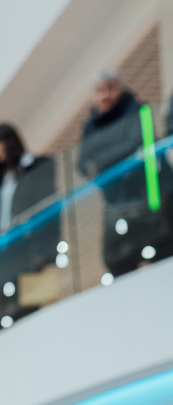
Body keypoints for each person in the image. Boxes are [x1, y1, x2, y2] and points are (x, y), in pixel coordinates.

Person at [0, 123, 57, 336]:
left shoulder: (39, 167)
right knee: (3, 314)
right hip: (1, 257)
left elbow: (48, 211)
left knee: (29, 313)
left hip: (27, 252)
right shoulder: (1, 179)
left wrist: (44, 251)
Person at [77, 73, 162, 278]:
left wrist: (101, 159)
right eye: (100, 91)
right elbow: (82, 164)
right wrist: (120, 151)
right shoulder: (90, 127)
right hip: (115, 207)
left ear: (121, 89)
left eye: (111, 88)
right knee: (117, 263)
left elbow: (138, 143)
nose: (106, 95)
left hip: (151, 200)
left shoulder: (138, 111)